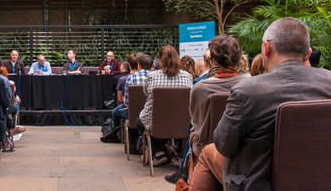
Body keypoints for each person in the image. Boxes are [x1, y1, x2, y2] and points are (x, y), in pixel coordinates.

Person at [212, 17, 331, 190]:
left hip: (258, 186)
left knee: (209, 155)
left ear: (267, 48)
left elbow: (224, 146)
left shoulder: (246, 92)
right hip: (321, 183)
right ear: (308, 53)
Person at [189, 35, 245, 159]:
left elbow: (197, 123)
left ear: (212, 59)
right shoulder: (250, 84)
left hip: (206, 151)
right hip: (241, 149)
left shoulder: (200, 88)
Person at [136, 45, 193, 165]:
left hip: (154, 122)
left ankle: (158, 151)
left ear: (160, 60)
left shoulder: (151, 76)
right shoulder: (188, 77)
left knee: (140, 122)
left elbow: (146, 93)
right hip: (181, 124)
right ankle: (171, 150)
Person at [0, 56, 24, 135]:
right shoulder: (4, 80)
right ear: (0, 67)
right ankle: (11, 128)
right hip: (0, 108)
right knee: (13, 109)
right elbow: (9, 96)